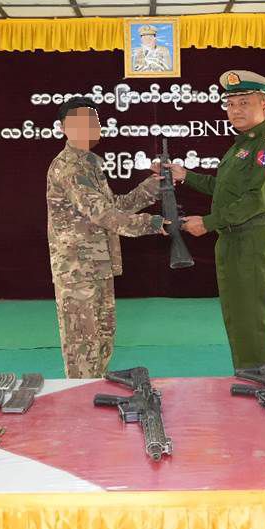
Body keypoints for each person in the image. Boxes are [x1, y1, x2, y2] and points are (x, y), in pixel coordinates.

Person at [156, 70, 265, 370]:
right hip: (233, 239)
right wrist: (185, 175)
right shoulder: (243, 145)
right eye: (231, 104)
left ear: (264, 104)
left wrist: (208, 222)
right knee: (238, 315)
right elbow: (223, 188)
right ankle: (247, 374)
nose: (235, 110)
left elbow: (257, 200)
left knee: (253, 316)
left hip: (253, 240)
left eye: (244, 102)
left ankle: (263, 379)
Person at [47, 98, 167, 378]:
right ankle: (80, 400)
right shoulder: (70, 167)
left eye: (94, 121)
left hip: (96, 267)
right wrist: (153, 223)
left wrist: (154, 185)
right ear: (64, 128)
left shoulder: (89, 164)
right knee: (83, 348)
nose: (92, 127)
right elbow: (102, 214)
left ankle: (93, 394)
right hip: (78, 272)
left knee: (101, 342)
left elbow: (115, 206)